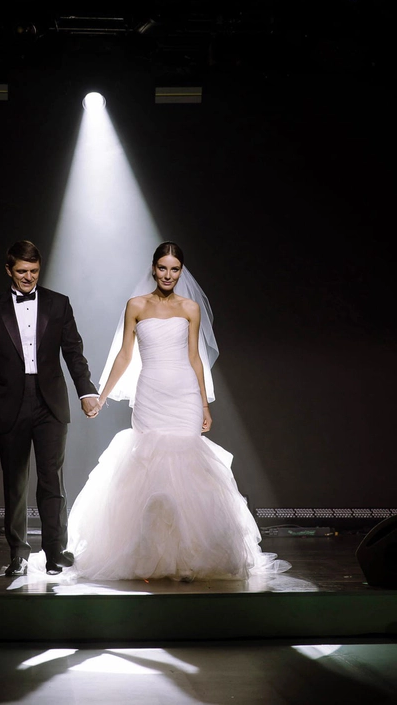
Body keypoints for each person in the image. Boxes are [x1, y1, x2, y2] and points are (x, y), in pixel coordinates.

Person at [50, 242, 290, 581]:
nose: (168, 275)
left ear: (181, 271)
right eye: (162, 268)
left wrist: (204, 403)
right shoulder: (136, 305)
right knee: (148, 467)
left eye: (174, 269)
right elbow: (125, 355)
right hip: (150, 393)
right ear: (153, 268)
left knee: (188, 467)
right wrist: (101, 396)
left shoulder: (190, 308)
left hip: (184, 394)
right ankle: (151, 557)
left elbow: (195, 357)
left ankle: (188, 558)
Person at [0, 240, 99, 576]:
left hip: (49, 402)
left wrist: (86, 391)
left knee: (51, 479)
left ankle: (55, 552)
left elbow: (73, 352)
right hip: (9, 403)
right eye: (21, 271)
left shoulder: (58, 304)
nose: (28, 277)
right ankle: (18, 554)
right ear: (8, 270)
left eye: (34, 271)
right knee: (14, 481)